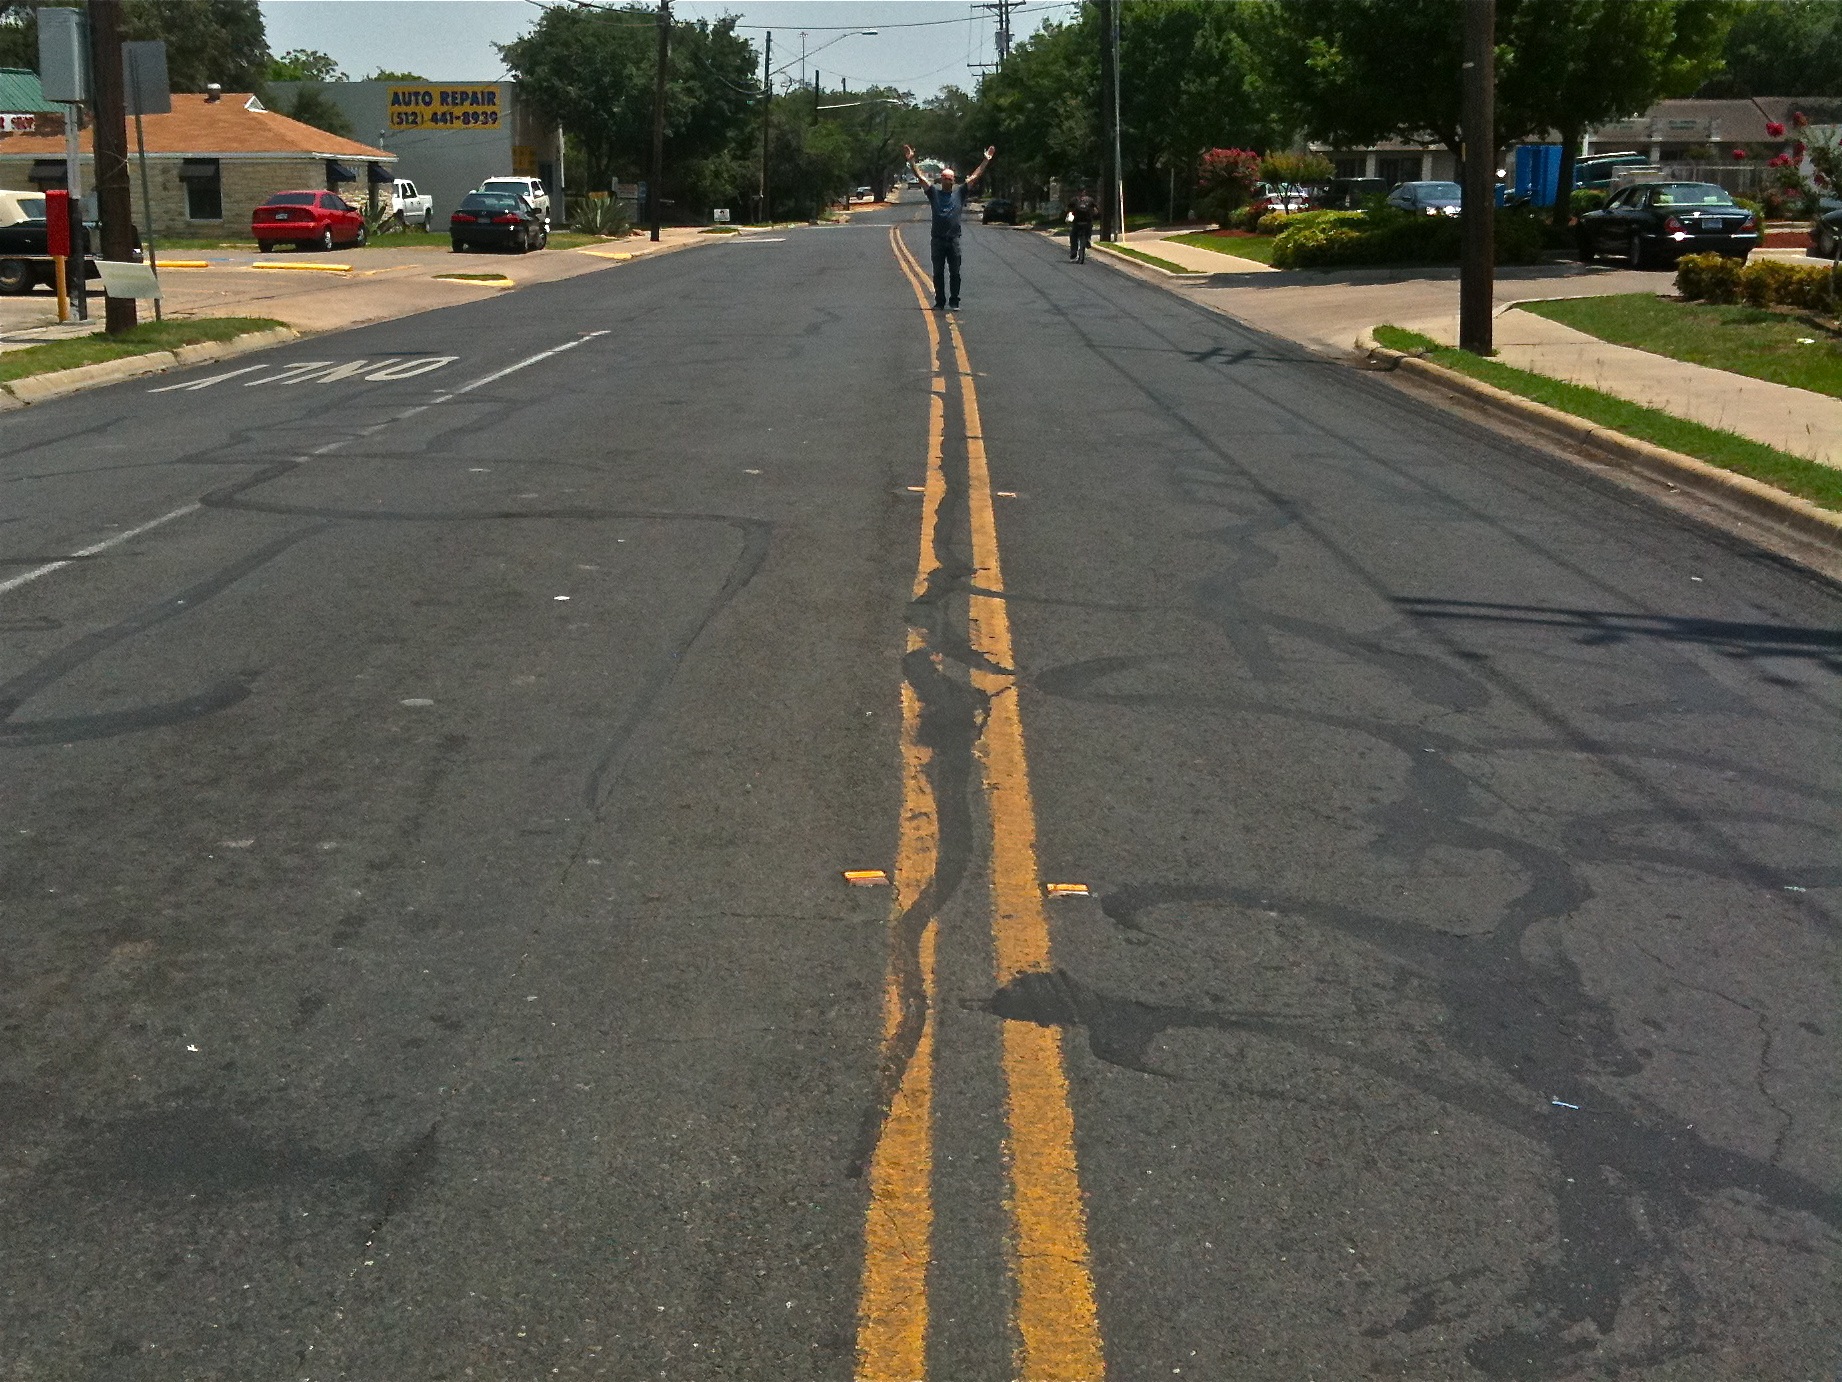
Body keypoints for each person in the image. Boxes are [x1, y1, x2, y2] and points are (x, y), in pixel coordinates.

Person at [904, 143, 995, 310]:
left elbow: (975, 177)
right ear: (941, 179)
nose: (948, 180)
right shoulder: (934, 193)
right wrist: (911, 161)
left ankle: (954, 302)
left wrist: (986, 160)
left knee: (955, 273)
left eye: (950, 178)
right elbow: (921, 178)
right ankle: (940, 302)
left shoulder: (960, 193)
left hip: (953, 240)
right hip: (937, 241)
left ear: (954, 180)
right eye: (945, 178)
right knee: (938, 273)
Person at [1066, 185, 1098, 263]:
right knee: (1089, 230)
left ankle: (1074, 251)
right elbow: (1096, 211)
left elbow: (1067, 209)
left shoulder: (1074, 200)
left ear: (1078, 192)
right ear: (1085, 191)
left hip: (1077, 222)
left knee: (1073, 236)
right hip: (1087, 222)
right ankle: (1087, 239)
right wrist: (1093, 215)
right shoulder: (1090, 200)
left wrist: (1069, 215)